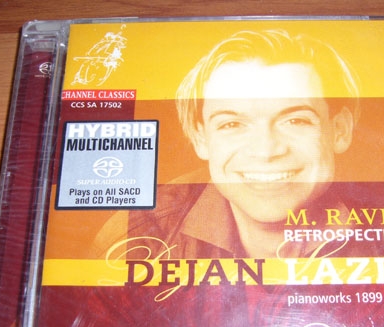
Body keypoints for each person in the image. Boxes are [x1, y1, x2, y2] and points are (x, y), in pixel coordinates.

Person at [94, 29, 360, 260]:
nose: (265, 151)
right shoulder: (136, 236)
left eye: (296, 121)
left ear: (340, 130)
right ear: (200, 138)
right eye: (232, 124)